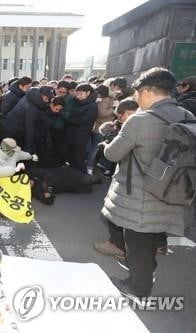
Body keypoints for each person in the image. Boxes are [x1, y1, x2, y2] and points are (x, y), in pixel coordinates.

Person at [101, 67, 195, 298]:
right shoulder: (188, 116)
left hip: (141, 195)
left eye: (137, 94)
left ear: (147, 91)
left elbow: (112, 154)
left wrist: (106, 144)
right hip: (174, 190)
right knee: (152, 238)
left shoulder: (139, 120)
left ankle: (138, 289)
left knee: (137, 243)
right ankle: (145, 274)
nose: (136, 99)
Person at [0, 86, 55, 156]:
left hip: (12, 129)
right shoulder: (31, 107)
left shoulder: (32, 99)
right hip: (10, 131)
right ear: (41, 95)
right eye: (46, 98)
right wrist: (29, 148)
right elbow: (29, 128)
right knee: (8, 156)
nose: (47, 101)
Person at [64, 83, 98, 173]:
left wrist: (68, 119)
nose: (78, 96)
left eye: (80, 94)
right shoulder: (75, 101)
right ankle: (74, 176)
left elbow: (83, 121)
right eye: (77, 93)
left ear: (88, 93)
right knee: (71, 158)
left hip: (81, 136)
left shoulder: (93, 105)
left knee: (78, 159)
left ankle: (84, 179)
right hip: (71, 134)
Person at [87, 84, 115, 175]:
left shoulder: (102, 101)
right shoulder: (112, 100)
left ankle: (89, 166)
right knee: (107, 148)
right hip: (110, 128)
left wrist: (112, 108)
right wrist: (114, 108)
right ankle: (106, 167)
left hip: (99, 129)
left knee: (94, 149)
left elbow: (102, 113)